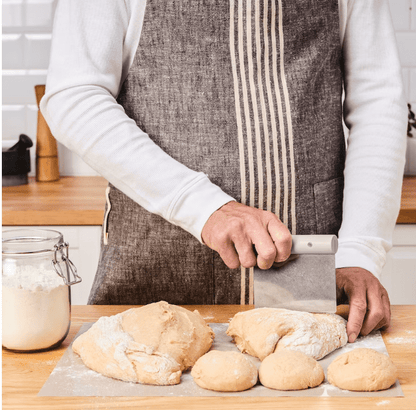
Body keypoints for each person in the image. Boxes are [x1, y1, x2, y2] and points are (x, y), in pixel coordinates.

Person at [41, 0, 407, 344]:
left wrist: (359, 250)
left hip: (311, 273)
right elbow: (75, 95)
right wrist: (203, 207)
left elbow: (378, 102)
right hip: (154, 262)